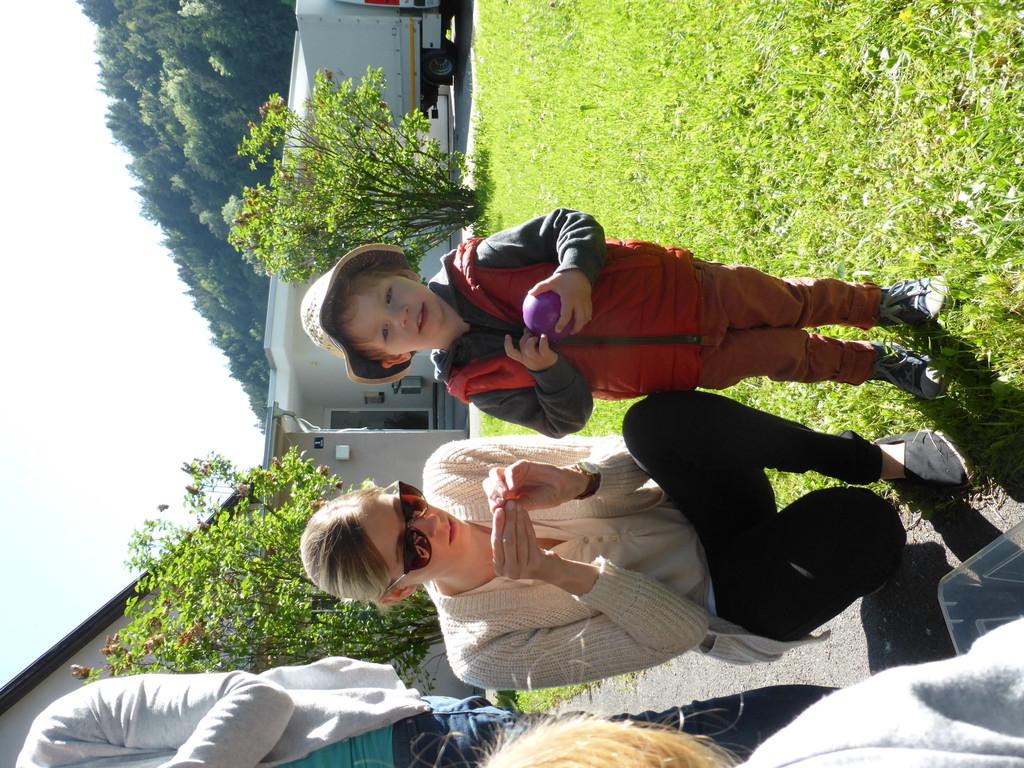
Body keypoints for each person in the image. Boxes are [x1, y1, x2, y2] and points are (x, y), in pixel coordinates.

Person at [300, 390, 972, 690]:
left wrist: (579, 484)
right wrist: (562, 575)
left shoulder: (454, 470)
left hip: (706, 508)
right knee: (864, 526)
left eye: (405, 505)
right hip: (725, 602)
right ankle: (863, 561)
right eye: (411, 549)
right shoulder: (481, 652)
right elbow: (680, 633)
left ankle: (873, 457)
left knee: (654, 422)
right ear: (398, 594)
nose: (427, 523)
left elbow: (635, 457)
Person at [300, 208, 949, 437]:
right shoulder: (477, 384)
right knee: (788, 357)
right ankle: (879, 366)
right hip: (677, 366)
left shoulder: (481, 263)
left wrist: (574, 274)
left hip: (686, 292)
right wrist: (548, 373)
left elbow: (571, 225)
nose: (400, 315)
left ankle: (883, 304)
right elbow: (564, 420)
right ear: (392, 359)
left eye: (389, 296)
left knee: (790, 302)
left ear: (399, 272)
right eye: (385, 332)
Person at [15, 654, 835, 767]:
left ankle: (857, 722)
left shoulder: (61, 736)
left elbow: (254, 697)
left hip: (417, 747)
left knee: (664, 746)